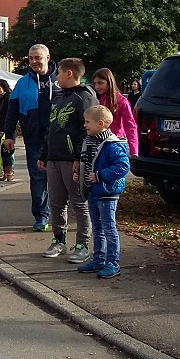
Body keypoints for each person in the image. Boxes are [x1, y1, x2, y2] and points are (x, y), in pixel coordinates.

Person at [37, 57, 96, 261]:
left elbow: (87, 131)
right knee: (56, 202)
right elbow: (51, 128)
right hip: (54, 158)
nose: (56, 77)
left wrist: (80, 157)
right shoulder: (59, 98)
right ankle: (59, 240)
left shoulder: (84, 98)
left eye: (59, 73)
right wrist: (44, 154)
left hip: (72, 160)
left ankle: (82, 244)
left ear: (69, 74)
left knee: (79, 203)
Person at [3, 44, 62, 231]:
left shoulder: (60, 79)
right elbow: (11, 111)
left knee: (61, 179)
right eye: (31, 58)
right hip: (34, 139)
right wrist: (9, 135)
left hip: (59, 138)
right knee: (38, 178)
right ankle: (41, 216)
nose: (34, 62)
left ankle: (63, 216)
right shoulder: (22, 83)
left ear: (48, 57)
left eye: (38, 57)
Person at [74, 105, 130, 279]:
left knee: (108, 228)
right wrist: (81, 176)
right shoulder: (89, 141)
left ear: (100, 123)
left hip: (107, 192)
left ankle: (112, 262)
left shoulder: (112, 144)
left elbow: (123, 167)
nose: (85, 125)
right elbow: (88, 163)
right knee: (97, 228)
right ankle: (99, 258)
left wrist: (99, 176)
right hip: (93, 191)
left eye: (87, 122)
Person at [91, 68, 139, 158]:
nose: (97, 86)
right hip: (97, 143)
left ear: (109, 82)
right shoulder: (94, 99)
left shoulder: (122, 101)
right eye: (95, 83)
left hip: (116, 142)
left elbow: (130, 125)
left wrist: (134, 149)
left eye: (100, 83)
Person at [0, 79, 15, 182]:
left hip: (7, 128)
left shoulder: (8, 98)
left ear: (4, 88)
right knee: (0, 152)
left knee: (7, 151)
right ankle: (5, 172)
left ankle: (9, 172)